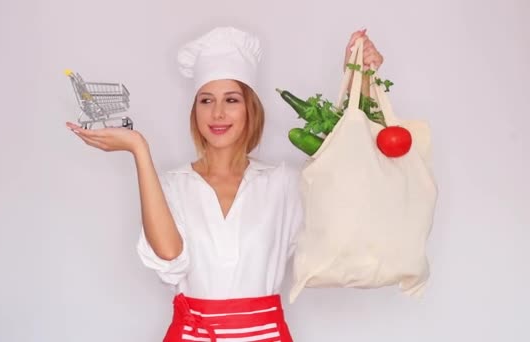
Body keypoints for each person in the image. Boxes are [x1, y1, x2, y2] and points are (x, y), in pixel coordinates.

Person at [66, 26, 383, 342]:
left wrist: (360, 79)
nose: (217, 113)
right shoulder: (173, 186)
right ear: (195, 110)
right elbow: (169, 258)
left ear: (250, 109)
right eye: (206, 100)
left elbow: (353, 177)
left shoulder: (284, 184)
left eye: (231, 99)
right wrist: (138, 148)